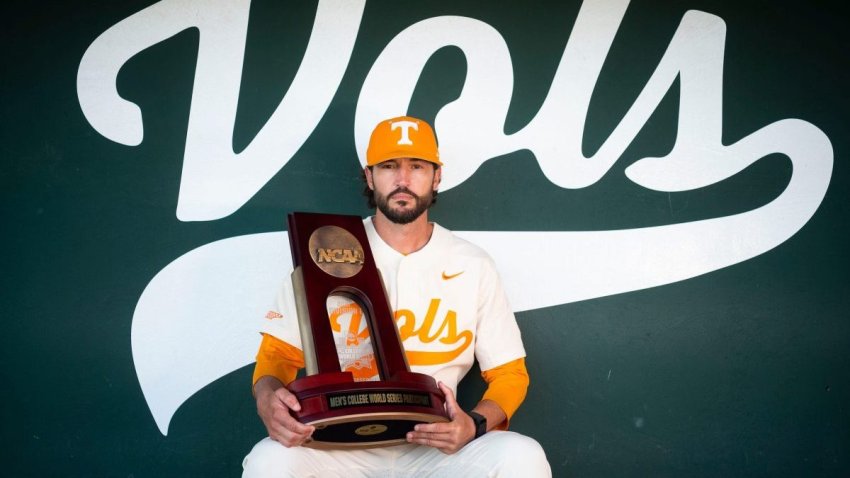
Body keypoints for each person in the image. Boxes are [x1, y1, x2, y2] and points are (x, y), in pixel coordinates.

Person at [242, 116, 551, 477]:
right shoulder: (325, 250)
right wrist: (267, 399)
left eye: (417, 166)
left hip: (435, 448)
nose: (402, 180)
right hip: (339, 445)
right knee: (270, 460)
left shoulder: (472, 263)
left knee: (521, 456)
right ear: (370, 176)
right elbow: (276, 356)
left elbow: (510, 373)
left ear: (436, 176)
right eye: (389, 166)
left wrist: (475, 424)